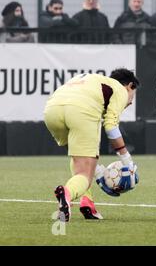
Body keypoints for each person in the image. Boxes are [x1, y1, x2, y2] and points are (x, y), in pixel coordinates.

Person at [44, 68, 140, 222]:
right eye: (132, 95)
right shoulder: (120, 90)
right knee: (84, 174)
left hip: (51, 110)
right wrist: (127, 160)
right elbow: (111, 126)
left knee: (79, 159)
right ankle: (67, 194)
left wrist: (99, 173)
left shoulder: (92, 80)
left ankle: (87, 204)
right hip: (80, 110)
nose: (131, 101)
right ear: (129, 86)